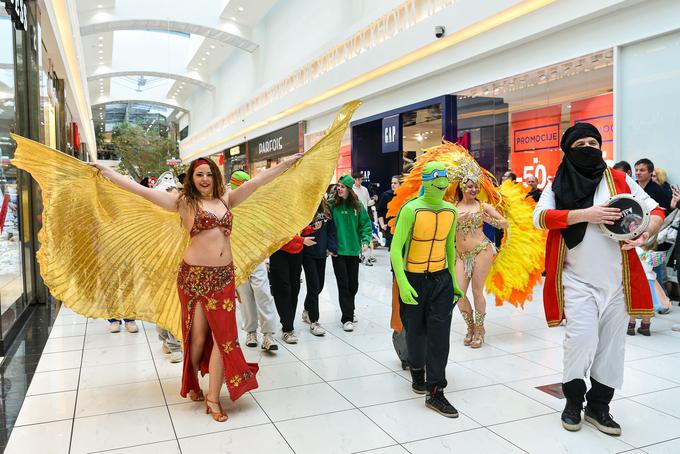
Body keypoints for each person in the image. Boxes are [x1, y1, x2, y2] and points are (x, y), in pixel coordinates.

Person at [91, 154, 302, 422]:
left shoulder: (226, 199)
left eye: (209, 174)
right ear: (192, 178)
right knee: (199, 336)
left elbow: (258, 182)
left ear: (216, 176)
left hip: (223, 277)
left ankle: (213, 397)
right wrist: (105, 172)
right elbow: (139, 190)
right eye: (199, 174)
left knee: (224, 339)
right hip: (194, 278)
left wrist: (286, 164)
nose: (205, 179)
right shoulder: (183, 203)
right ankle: (191, 382)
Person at [533, 123, 664, 435]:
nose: (589, 148)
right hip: (576, 280)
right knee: (580, 340)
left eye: (594, 142)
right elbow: (540, 217)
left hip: (618, 282)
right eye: (581, 145)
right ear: (568, 150)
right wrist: (584, 215)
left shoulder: (618, 178)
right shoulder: (557, 183)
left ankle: (599, 407)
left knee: (612, 346)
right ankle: (572, 403)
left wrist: (647, 231)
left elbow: (655, 208)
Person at [391, 162, 464, 417]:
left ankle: (436, 391)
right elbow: (395, 249)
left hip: (441, 279)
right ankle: (417, 370)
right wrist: (402, 282)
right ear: (426, 181)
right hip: (413, 277)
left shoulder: (451, 211)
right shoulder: (411, 209)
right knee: (416, 331)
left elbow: (448, 248)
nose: (441, 184)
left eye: (444, 179)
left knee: (439, 335)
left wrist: (453, 281)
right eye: (436, 179)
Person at [455, 174, 509, 348]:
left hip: (481, 250)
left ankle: (479, 329)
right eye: (470, 186)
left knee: (477, 290)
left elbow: (504, 223)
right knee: (458, 293)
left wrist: (488, 219)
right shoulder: (452, 207)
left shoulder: (482, 206)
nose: (474, 189)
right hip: (460, 254)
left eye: (476, 186)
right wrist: (455, 220)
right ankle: (470, 326)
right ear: (462, 187)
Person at [229, 171, 279, 352]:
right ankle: (250, 331)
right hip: (237, 258)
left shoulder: (257, 204)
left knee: (263, 292)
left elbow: (265, 231)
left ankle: (268, 334)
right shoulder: (228, 203)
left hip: (256, 256)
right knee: (245, 296)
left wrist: (265, 257)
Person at [331, 174, 372, 331]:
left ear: (349, 189)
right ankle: (346, 318)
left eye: (342, 187)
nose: (339, 189)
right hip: (338, 252)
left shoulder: (357, 206)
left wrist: (366, 241)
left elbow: (365, 225)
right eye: (338, 186)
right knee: (343, 285)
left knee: (353, 285)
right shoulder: (332, 204)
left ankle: (350, 309)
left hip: (354, 250)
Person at [269, 231, 316, 344]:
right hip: (279, 250)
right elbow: (281, 229)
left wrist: (310, 228)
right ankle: (287, 328)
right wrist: (302, 240)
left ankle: (288, 322)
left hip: (297, 251)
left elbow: (300, 228)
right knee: (283, 289)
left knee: (295, 289)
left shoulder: (297, 212)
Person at [301, 199, 337, 336]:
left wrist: (331, 247)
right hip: (307, 253)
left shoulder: (326, 207)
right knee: (314, 286)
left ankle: (306, 309)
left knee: (319, 286)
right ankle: (314, 321)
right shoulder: (305, 205)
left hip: (322, 252)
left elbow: (331, 230)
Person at [377, 175, 400, 249]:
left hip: (401, 225)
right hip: (390, 227)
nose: (392, 185)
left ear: (401, 184)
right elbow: (380, 211)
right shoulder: (386, 195)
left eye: (395, 183)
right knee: (392, 249)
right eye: (392, 183)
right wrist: (382, 225)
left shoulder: (405, 195)